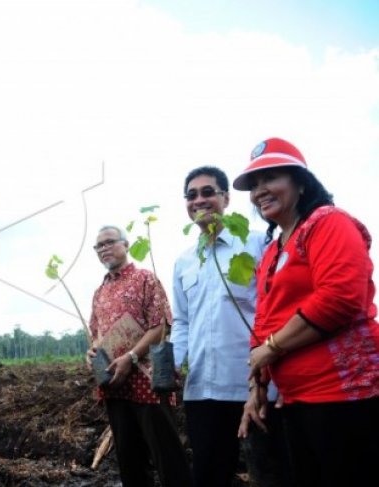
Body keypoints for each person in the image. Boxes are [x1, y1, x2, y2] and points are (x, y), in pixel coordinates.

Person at [234, 137, 379, 487]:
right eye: (254, 185)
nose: (259, 191)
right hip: (296, 398)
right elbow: (265, 321)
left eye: (270, 178)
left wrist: (271, 348)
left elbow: (340, 297)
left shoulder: (328, 223)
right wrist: (257, 387)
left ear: (301, 182)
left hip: (344, 394)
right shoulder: (271, 252)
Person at [172, 166, 288, 487]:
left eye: (208, 192)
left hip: (252, 383)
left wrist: (266, 375)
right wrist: (173, 363)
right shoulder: (185, 261)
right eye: (192, 195)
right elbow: (181, 321)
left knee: (269, 471)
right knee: (209, 474)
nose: (200, 200)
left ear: (225, 198)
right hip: (201, 389)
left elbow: (274, 307)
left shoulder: (256, 244)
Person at [87, 225, 192, 487]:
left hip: (148, 380)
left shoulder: (145, 279)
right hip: (115, 386)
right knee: (129, 460)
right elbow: (96, 335)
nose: (104, 249)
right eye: (99, 246)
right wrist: (93, 351)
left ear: (126, 245)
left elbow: (160, 326)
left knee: (167, 454)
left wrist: (131, 357)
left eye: (109, 242)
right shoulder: (99, 293)